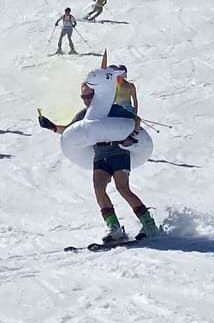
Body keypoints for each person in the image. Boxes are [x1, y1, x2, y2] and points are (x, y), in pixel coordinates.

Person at [38, 82, 157, 244]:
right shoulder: (84, 115)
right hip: (100, 154)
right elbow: (69, 131)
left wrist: (133, 135)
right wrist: (51, 126)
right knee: (98, 188)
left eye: (90, 96)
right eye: (84, 97)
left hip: (119, 151)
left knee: (122, 188)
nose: (87, 100)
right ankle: (113, 226)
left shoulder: (113, 109)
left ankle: (148, 223)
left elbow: (135, 119)